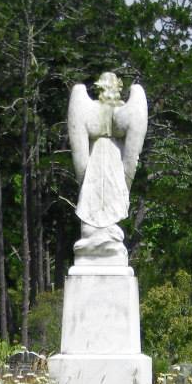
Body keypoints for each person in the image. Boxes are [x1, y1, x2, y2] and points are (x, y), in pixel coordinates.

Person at [67, 72, 148, 265]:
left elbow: (81, 157)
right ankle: (96, 234)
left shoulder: (92, 110)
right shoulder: (122, 111)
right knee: (100, 200)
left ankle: (102, 233)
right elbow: (131, 156)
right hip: (109, 161)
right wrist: (126, 184)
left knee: (104, 200)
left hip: (101, 161)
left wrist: (83, 181)